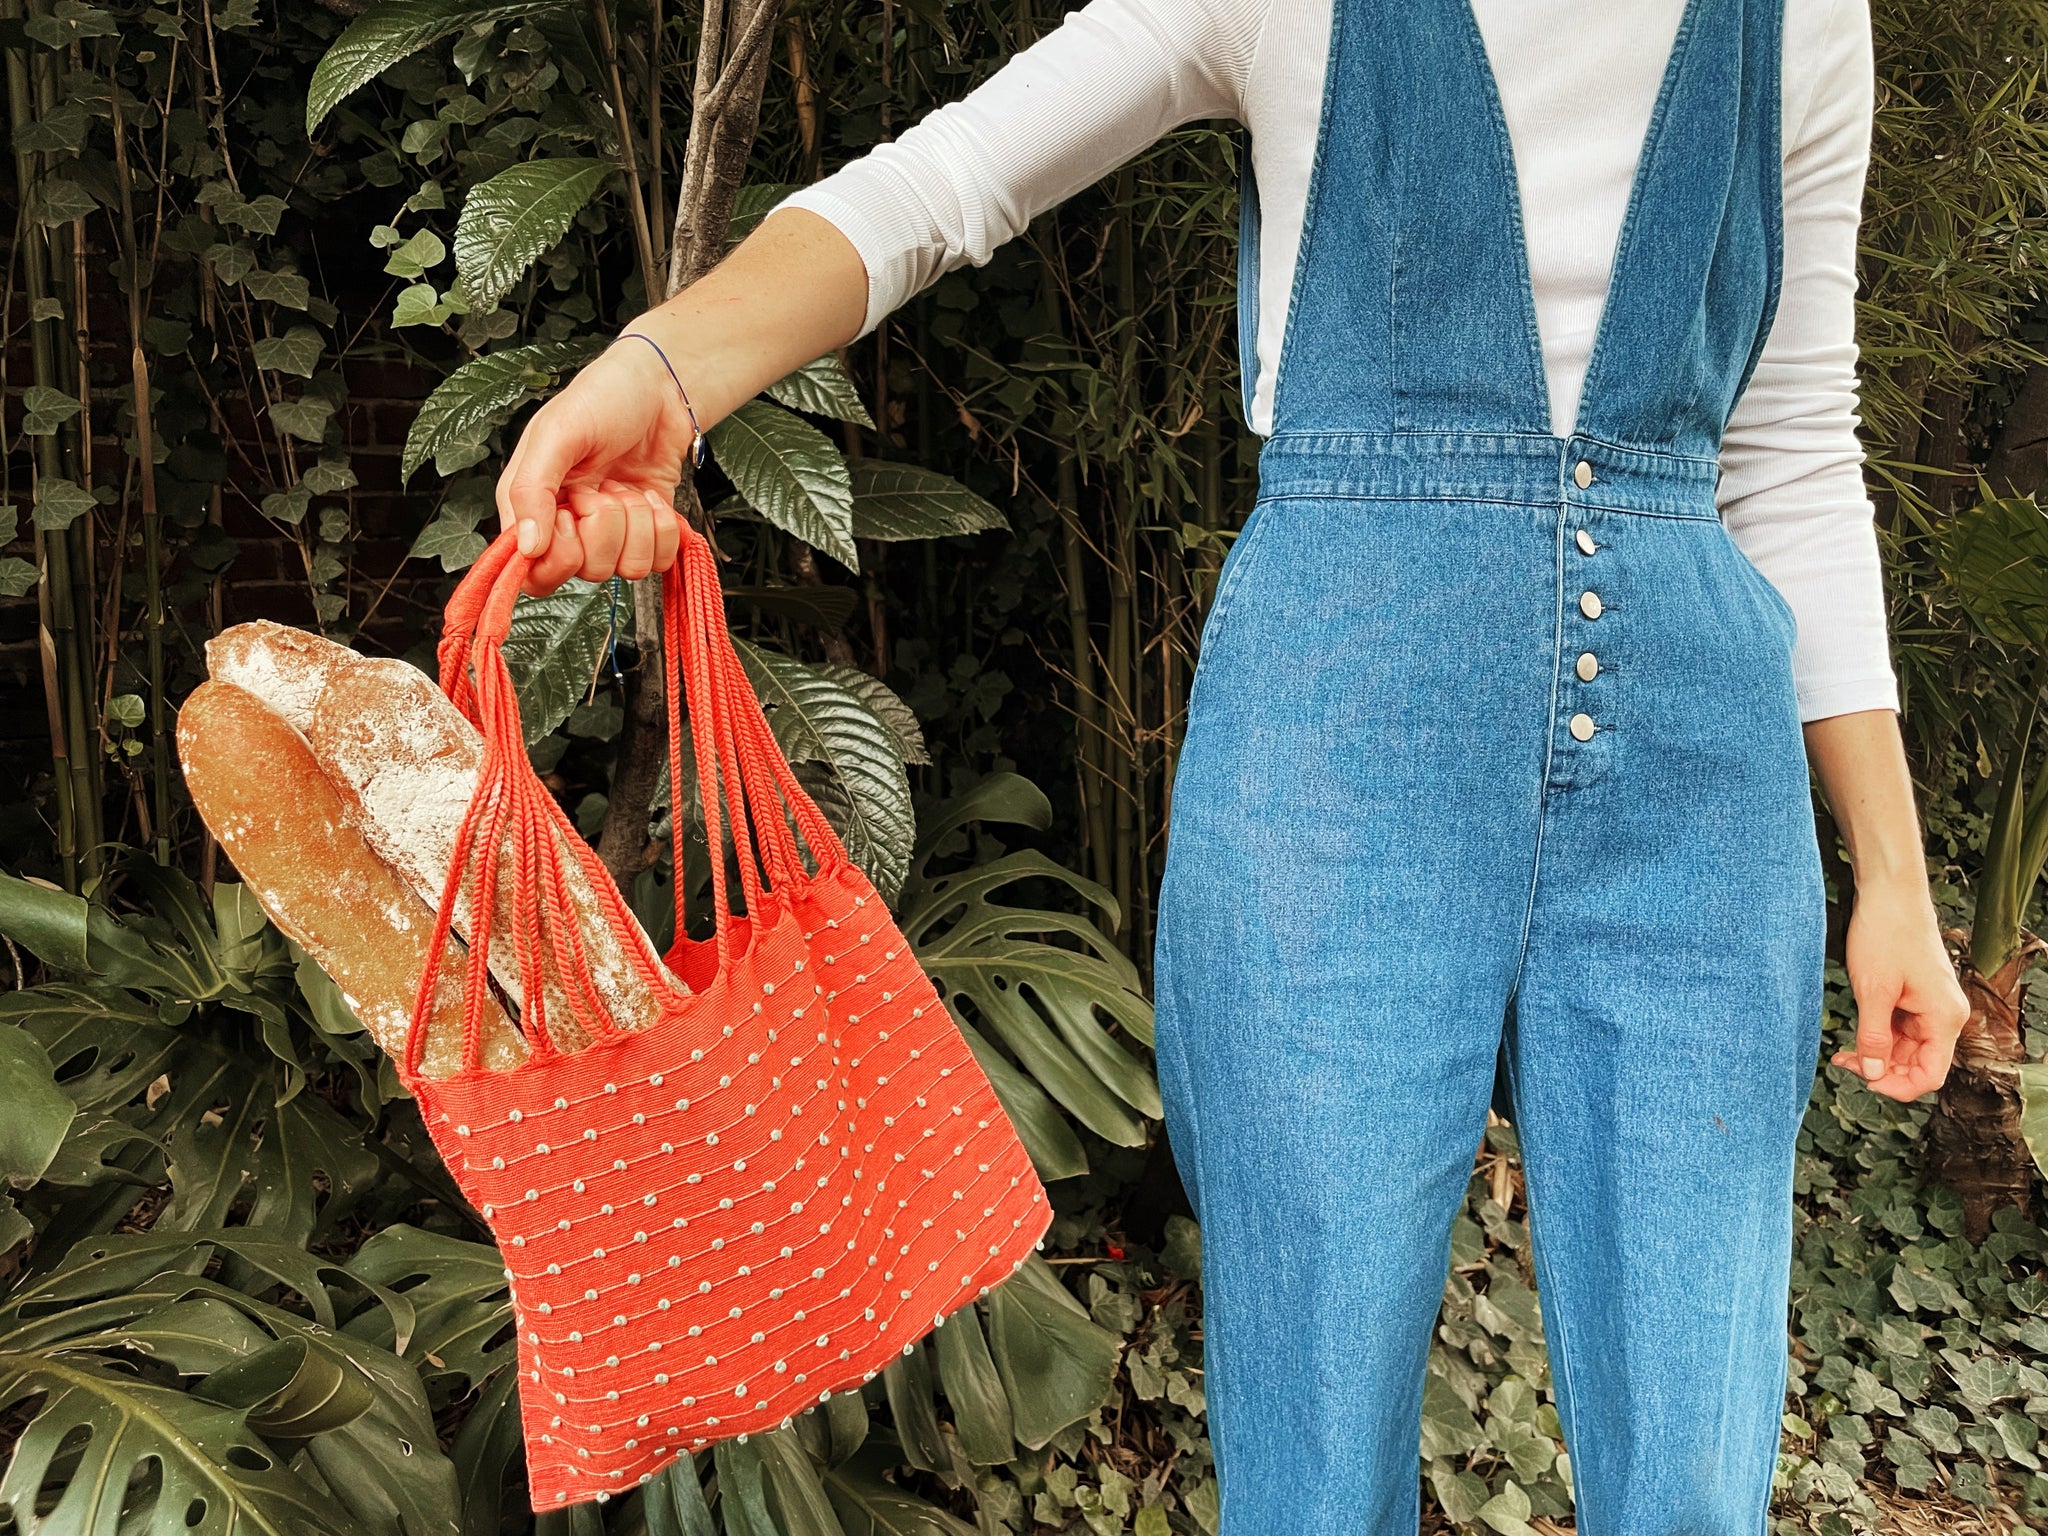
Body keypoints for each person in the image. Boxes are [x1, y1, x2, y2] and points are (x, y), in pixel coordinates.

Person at [492, 0, 1973, 1529]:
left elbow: (1793, 439)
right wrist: (667, 373)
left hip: (1698, 796)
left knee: (1694, 1460)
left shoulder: (1804, 19)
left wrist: (1896, 876)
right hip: (1335, 763)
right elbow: (946, 183)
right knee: (1311, 1429)